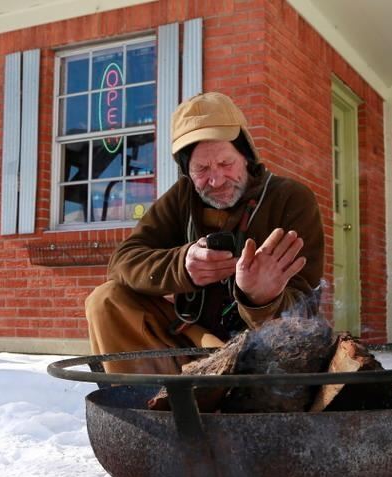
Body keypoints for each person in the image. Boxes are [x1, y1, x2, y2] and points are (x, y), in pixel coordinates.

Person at [85, 92, 324, 373]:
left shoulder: (291, 199)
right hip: (190, 339)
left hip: (261, 352)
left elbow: (305, 311)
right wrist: (182, 266)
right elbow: (122, 262)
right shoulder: (181, 198)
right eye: (201, 168)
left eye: (226, 163)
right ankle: (144, 409)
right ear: (186, 170)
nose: (216, 179)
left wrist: (261, 298)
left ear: (246, 156)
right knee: (106, 299)